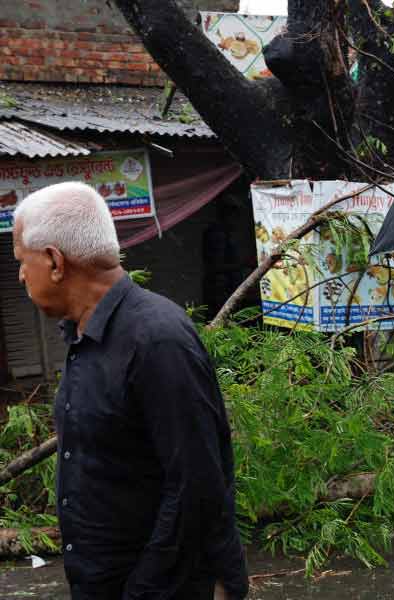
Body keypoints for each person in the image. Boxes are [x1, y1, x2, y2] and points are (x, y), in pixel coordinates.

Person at [12, 182, 248, 599]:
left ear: (54, 261)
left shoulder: (156, 340)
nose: (19, 275)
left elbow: (197, 486)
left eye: (21, 261)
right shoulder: (83, 335)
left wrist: (145, 589)